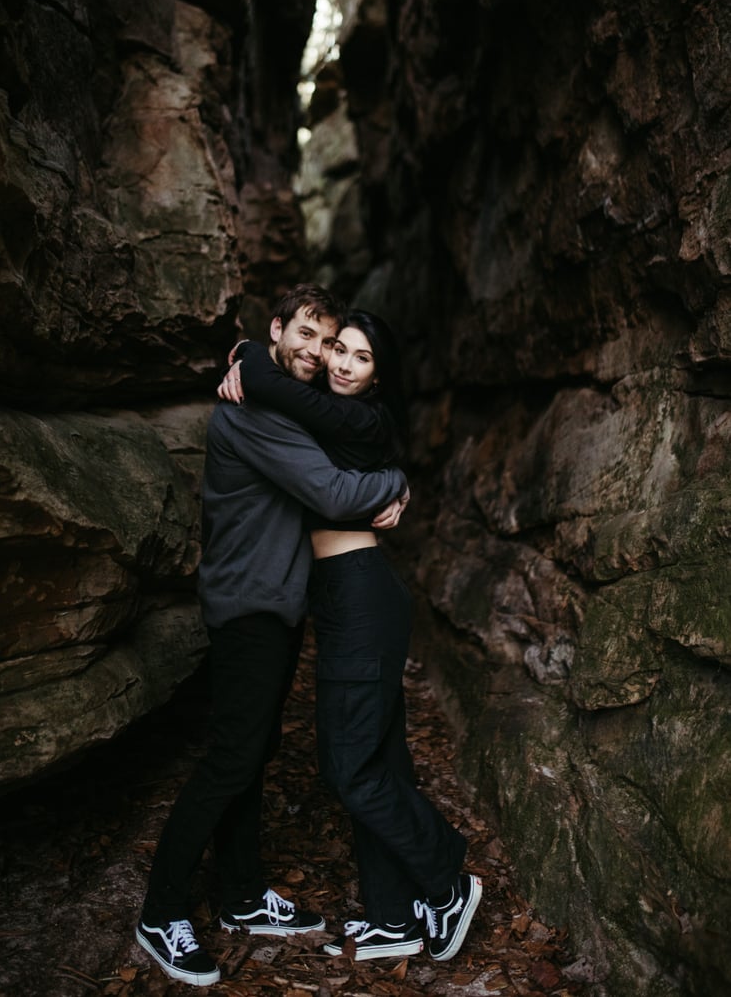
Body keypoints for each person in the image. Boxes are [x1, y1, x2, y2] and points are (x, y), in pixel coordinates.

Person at [136, 286, 409, 987]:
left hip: (275, 603)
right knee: (231, 758)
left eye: (329, 342)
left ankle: (240, 894)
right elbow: (334, 493)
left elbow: (336, 431)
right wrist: (398, 480)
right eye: (308, 337)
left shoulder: (280, 398)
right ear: (277, 330)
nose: (318, 355)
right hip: (249, 606)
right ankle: (160, 910)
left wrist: (253, 359)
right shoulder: (255, 411)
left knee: (252, 752)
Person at [219, 310, 482, 964]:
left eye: (360, 358)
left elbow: (272, 385)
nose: (341, 363)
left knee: (349, 768)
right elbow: (282, 388)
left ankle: (446, 877)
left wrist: (249, 355)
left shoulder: (362, 418)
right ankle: (393, 917)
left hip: (360, 594)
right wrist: (251, 353)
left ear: (376, 376)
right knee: (382, 761)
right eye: (338, 348)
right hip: (347, 596)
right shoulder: (322, 408)